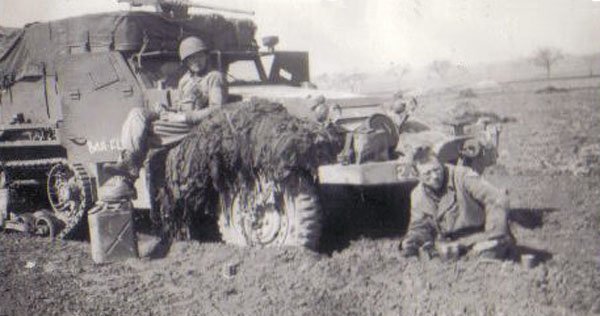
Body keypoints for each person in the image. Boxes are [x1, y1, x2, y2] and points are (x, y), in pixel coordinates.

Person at [103, 36, 227, 199]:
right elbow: (180, 105)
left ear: (205, 55)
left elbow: (217, 109)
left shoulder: (214, 77)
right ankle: (128, 161)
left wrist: (183, 117)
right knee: (136, 114)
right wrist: (167, 110)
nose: (195, 61)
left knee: (151, 130)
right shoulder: (185, 81)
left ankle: (128, 179)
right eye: (190, 59)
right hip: (179, 120)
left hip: (195, 125)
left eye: (198, 56)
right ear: (186, 62)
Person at [400, 147, 514, 259]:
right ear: (418, 176)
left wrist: (494, 235)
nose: (434, 176)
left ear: (441, 164)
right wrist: (412, 242)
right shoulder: (418, 195)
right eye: (427, 174)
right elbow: (420, 226)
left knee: (487, 256)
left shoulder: (462, 176)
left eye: (436, 169)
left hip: (482, 235)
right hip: (452, 246)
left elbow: (497, 198)